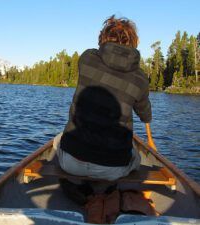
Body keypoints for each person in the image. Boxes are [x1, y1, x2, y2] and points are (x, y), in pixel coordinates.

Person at [54, 15, 152, 181]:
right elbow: (144, 113)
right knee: (137, 157)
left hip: (71, 163)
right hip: (112, 169)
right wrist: (147, 121)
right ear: (135, 42)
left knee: (57, 140)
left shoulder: (86, 59)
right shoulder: (140, 78)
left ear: (103, 39)